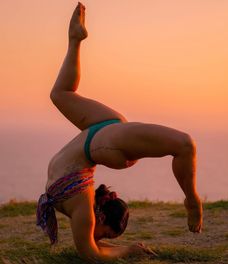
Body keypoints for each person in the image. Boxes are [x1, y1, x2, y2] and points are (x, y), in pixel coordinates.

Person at [37, 2, 203, 262]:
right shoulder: (84, 210)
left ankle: (75, 40)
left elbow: (91, 255)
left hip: (101, 135)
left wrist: (119, 248)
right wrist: (129, 250)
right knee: (184, 145)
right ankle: (192, 201)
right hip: (106, 140)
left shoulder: (83, 210)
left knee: (60, 94)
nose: (101, 238)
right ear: (102, 217)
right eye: (108, 236)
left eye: (107, 238)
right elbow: (93, 253)